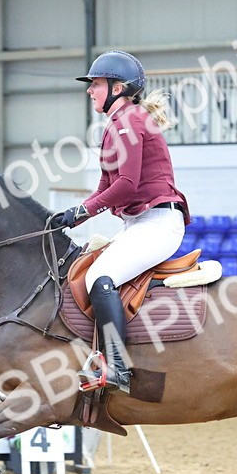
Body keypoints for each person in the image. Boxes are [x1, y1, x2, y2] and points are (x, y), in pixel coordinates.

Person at [50, 50, 191, 394]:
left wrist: (81, 213)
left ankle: (117, 368)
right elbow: (106, 186)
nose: (89, 90)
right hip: (139, 223)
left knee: (101, 277)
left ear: (117, 87)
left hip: (158, 223)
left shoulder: (129, 122)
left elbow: (126, 185)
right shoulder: (117, 125)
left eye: (95, 84)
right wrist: (72, 215)